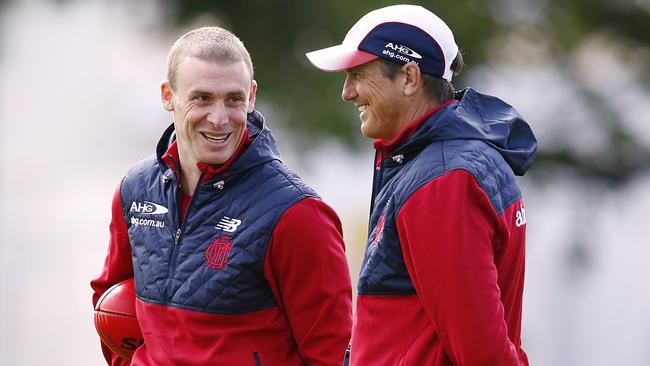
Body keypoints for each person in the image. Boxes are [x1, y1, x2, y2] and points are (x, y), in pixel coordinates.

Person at [91, 26, 352, 365]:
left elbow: (331, 353)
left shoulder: (297, 213)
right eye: (202, 98)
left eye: (233, 99)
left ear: (252, 96)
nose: (219, 119)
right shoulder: (136, 189)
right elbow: (109, 301)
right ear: (168, 95)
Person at [306, 4, 536, 366]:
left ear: (410, 77)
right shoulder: (439, 165)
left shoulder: (443, 182)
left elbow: (483, 353)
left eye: (358, 75)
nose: (347, 93)